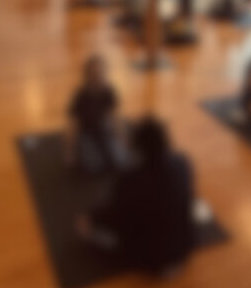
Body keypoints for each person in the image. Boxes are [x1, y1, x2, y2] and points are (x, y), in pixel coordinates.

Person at [76, 116, 196, 276]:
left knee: (89, 228)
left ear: (139, 149)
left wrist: (90, 217)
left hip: (152, 260)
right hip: (184, 247)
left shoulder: (131, 179)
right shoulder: (182, 163)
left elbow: (112, 215)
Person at [67, 55, 122, 173]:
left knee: (118, 160)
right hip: (85, 133)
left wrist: (118, 137)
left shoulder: (109, 92)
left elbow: (114, 116)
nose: (98, 77)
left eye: (100, 74)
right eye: (94, 74)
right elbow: (73, 125)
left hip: (103, 130)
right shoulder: (80, 96)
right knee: (90, 166)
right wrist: (71, 150)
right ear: (87, 76)